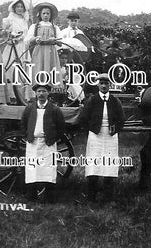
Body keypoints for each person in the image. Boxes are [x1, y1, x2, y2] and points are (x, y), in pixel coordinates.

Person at [77, 73, 125, 202]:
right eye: (101, 83)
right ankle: (91, 196)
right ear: (98, 85)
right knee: (94, 164)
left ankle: (108, 197)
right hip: (95, 136)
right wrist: (91, 131)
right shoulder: (92, 100)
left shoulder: (115, 101)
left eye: (106, 83)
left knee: (109, 164)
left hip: (111, 136)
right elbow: (83, 119)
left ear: (110, 85)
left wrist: (115, 129)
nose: (104, 86)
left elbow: (121, 119)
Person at [21, 83, 66, 203]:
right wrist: (28, 136)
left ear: (48, 93)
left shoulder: (54, 109)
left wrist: (53, 139)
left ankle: (49, 198)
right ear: (35, 93)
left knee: (48, 170)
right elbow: (23, 123)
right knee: (32, 170)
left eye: (43, 91)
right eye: (39, 91)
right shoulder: (30, 108)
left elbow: (61, 127)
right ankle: (32, 197)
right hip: (33, 143)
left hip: (48, 144)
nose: (41, 94)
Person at [24, 2, 62, 88]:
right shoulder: (35, 26)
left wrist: (55, 40)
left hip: (51, 52)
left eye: (48, 13)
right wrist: (35, 39)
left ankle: (52, 92)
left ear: (51, 15)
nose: (45, 15)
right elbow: (27, 39)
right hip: (39, 51)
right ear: (40, 14)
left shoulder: (55, 27)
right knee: (38, 68)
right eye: (43, 13)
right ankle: (36, 91)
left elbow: (60, 42)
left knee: (51, 69)